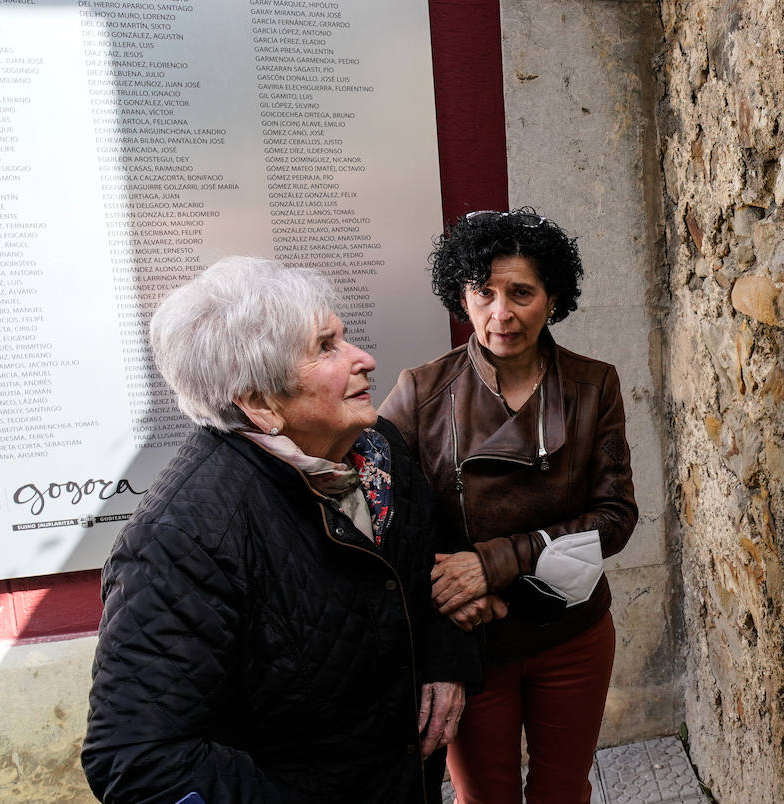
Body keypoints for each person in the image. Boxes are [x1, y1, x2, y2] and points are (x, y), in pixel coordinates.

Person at [82, 257, 479, 803]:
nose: (365, 359)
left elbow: (434, 558)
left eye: (344, 338)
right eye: (326, 348)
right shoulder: (184, 539)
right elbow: (138, 761)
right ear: (259, 403)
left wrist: (445, 658)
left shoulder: (377, 447)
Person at [380, 208, 638, 803]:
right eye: (484, 292)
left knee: (562, 791)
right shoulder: (421, 392)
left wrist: (491, 564)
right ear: (461, 297)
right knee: (483, 797)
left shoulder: (594, 384)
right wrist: (445, 592)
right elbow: (379, 517)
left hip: (570, 633)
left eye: (521, 292)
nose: (502, 314)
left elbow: (615, 516)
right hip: (471, 642)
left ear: (552, 298)